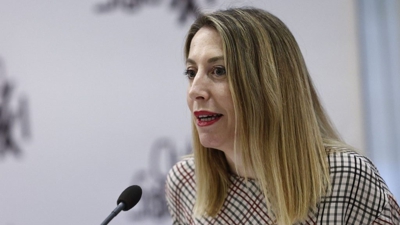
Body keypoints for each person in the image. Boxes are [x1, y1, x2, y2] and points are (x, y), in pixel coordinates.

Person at [165, 7, 400, 225]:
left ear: (269, 84)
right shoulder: (186, 182)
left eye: (218, 71)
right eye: (191, 72)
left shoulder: (344, 177)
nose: (195, 90)